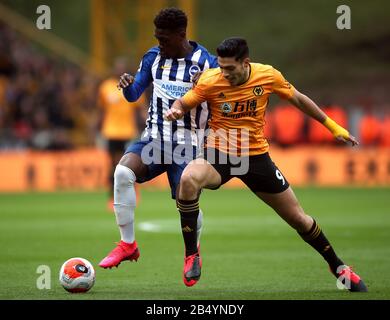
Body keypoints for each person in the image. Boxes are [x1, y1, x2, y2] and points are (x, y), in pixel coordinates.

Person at [165, 37, 367, 291]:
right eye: (221, 66)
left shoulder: (267, 75)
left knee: (300, 220)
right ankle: (192, 253)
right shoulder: (210, 80)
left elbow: (299, 99)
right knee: (188, 179)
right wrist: (176, 109)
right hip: (219, 152)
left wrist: (333, 126)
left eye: (230, 68)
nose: (224, 73)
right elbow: (184, 102)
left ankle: (338, 267)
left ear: (245, 62)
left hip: (256, 157)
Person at [98, 8, 218, 271]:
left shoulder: (207, 63)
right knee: (121, 172)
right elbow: (133, 95)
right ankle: (127, 245)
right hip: (153, 140)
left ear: (181, 35)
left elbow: (225, 100)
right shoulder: (153, 57)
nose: (159, 43)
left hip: (187, 146)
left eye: (164, 39)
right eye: (157, 37)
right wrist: (128, 84)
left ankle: (192, 253)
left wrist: (206, 87)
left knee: (186, 201)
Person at [97, 57, 147, 211]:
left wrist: (148, 125)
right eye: (117, 67)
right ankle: (112, 198)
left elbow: (142, 108)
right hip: (110, 131)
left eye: (122, 67)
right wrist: (96, 129)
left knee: (129, 165)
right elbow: (101, 110)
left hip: (128, 131)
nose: (119, 70)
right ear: (113, 70)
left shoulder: (131, 87)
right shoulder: (105, 87)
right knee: (113, 166)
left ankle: (134, 193)